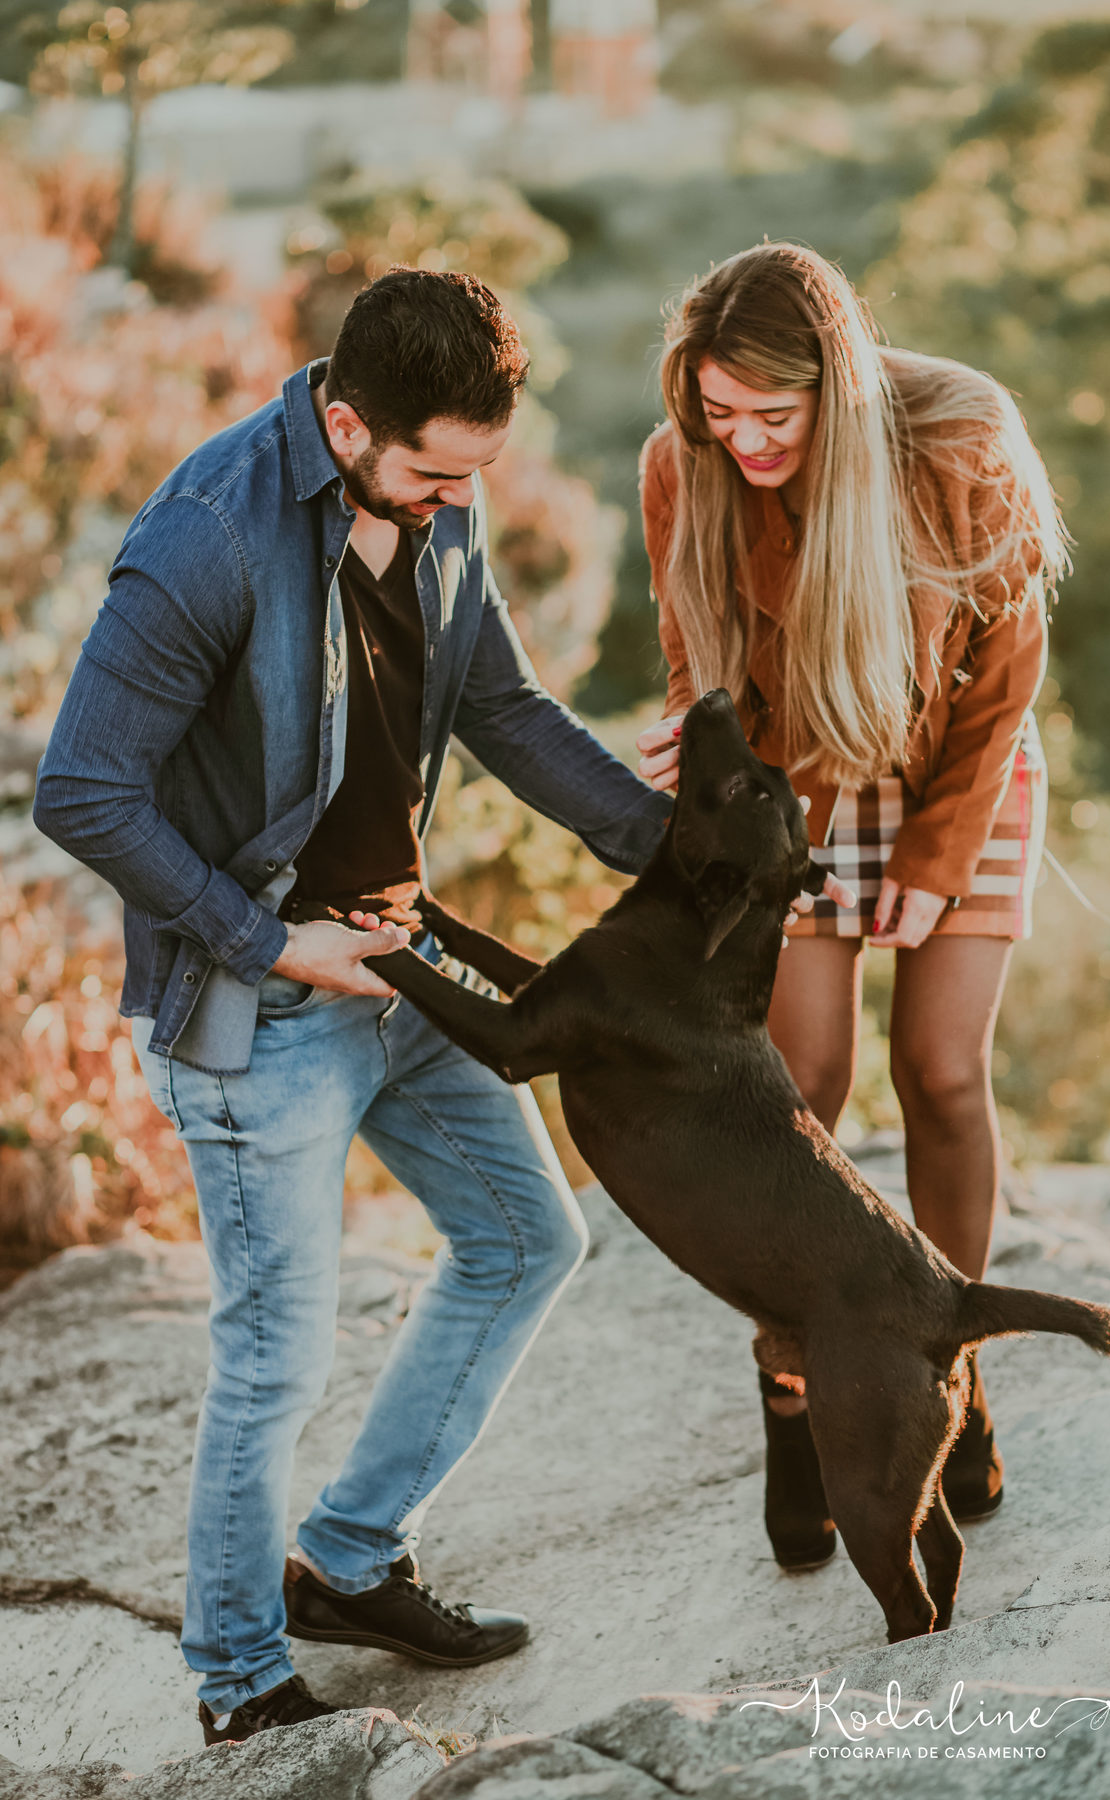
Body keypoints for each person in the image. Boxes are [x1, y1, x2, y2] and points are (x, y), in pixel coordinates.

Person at [34, 267, 674, 1745]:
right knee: (276, 1352)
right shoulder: (205, 540)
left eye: (479, 475)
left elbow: (503, 707)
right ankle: (241, 1676)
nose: (458, 504)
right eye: (435, 473)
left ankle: (350, 1559)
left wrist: (667, 843)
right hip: (260, 1002)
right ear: (343, 422)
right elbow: (83, 789)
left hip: (398, 962)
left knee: (528, 1239)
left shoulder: (441, 507)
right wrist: (265, 940)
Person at [635, 242, 1066, 1570]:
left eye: (773, 415)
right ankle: (796, 1390)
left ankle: (950, 1364)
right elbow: (697, 662)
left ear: (840, 386)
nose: (741, 441)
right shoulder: (683, 470)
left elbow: (1005, 669)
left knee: (937, 1072)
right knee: (795, 1091)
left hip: (955, 776)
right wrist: (693, 755)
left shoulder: (959, 444)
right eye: (717, 413)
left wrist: (934, 869)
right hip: (789, 794)